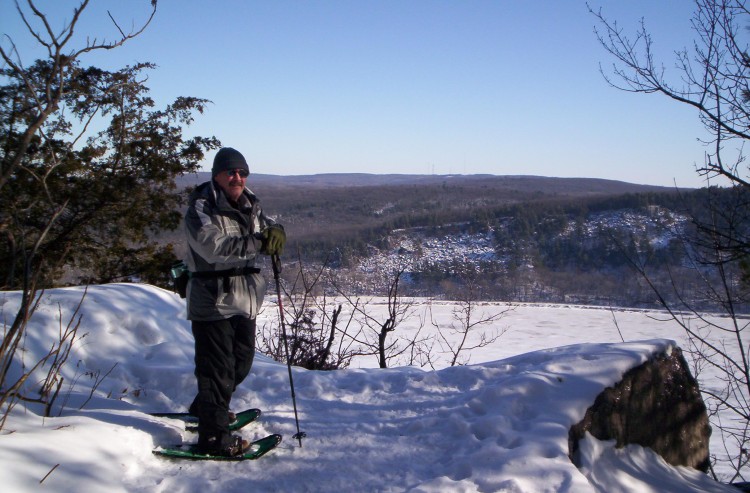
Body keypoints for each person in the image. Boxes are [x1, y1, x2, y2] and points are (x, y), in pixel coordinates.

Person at [183, 146, 286, 456]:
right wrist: (258, 242)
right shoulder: (201, 207)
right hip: (213, 299)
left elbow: (267, 228)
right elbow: (211, 247)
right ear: (217, 174)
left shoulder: (250, 204)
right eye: (231, 172)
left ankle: (206, 409)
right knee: (217, 371)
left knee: (240, 363)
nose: (237, 177)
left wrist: (276, 231)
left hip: (244, 299)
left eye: (242, 172)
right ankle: (214, 438)